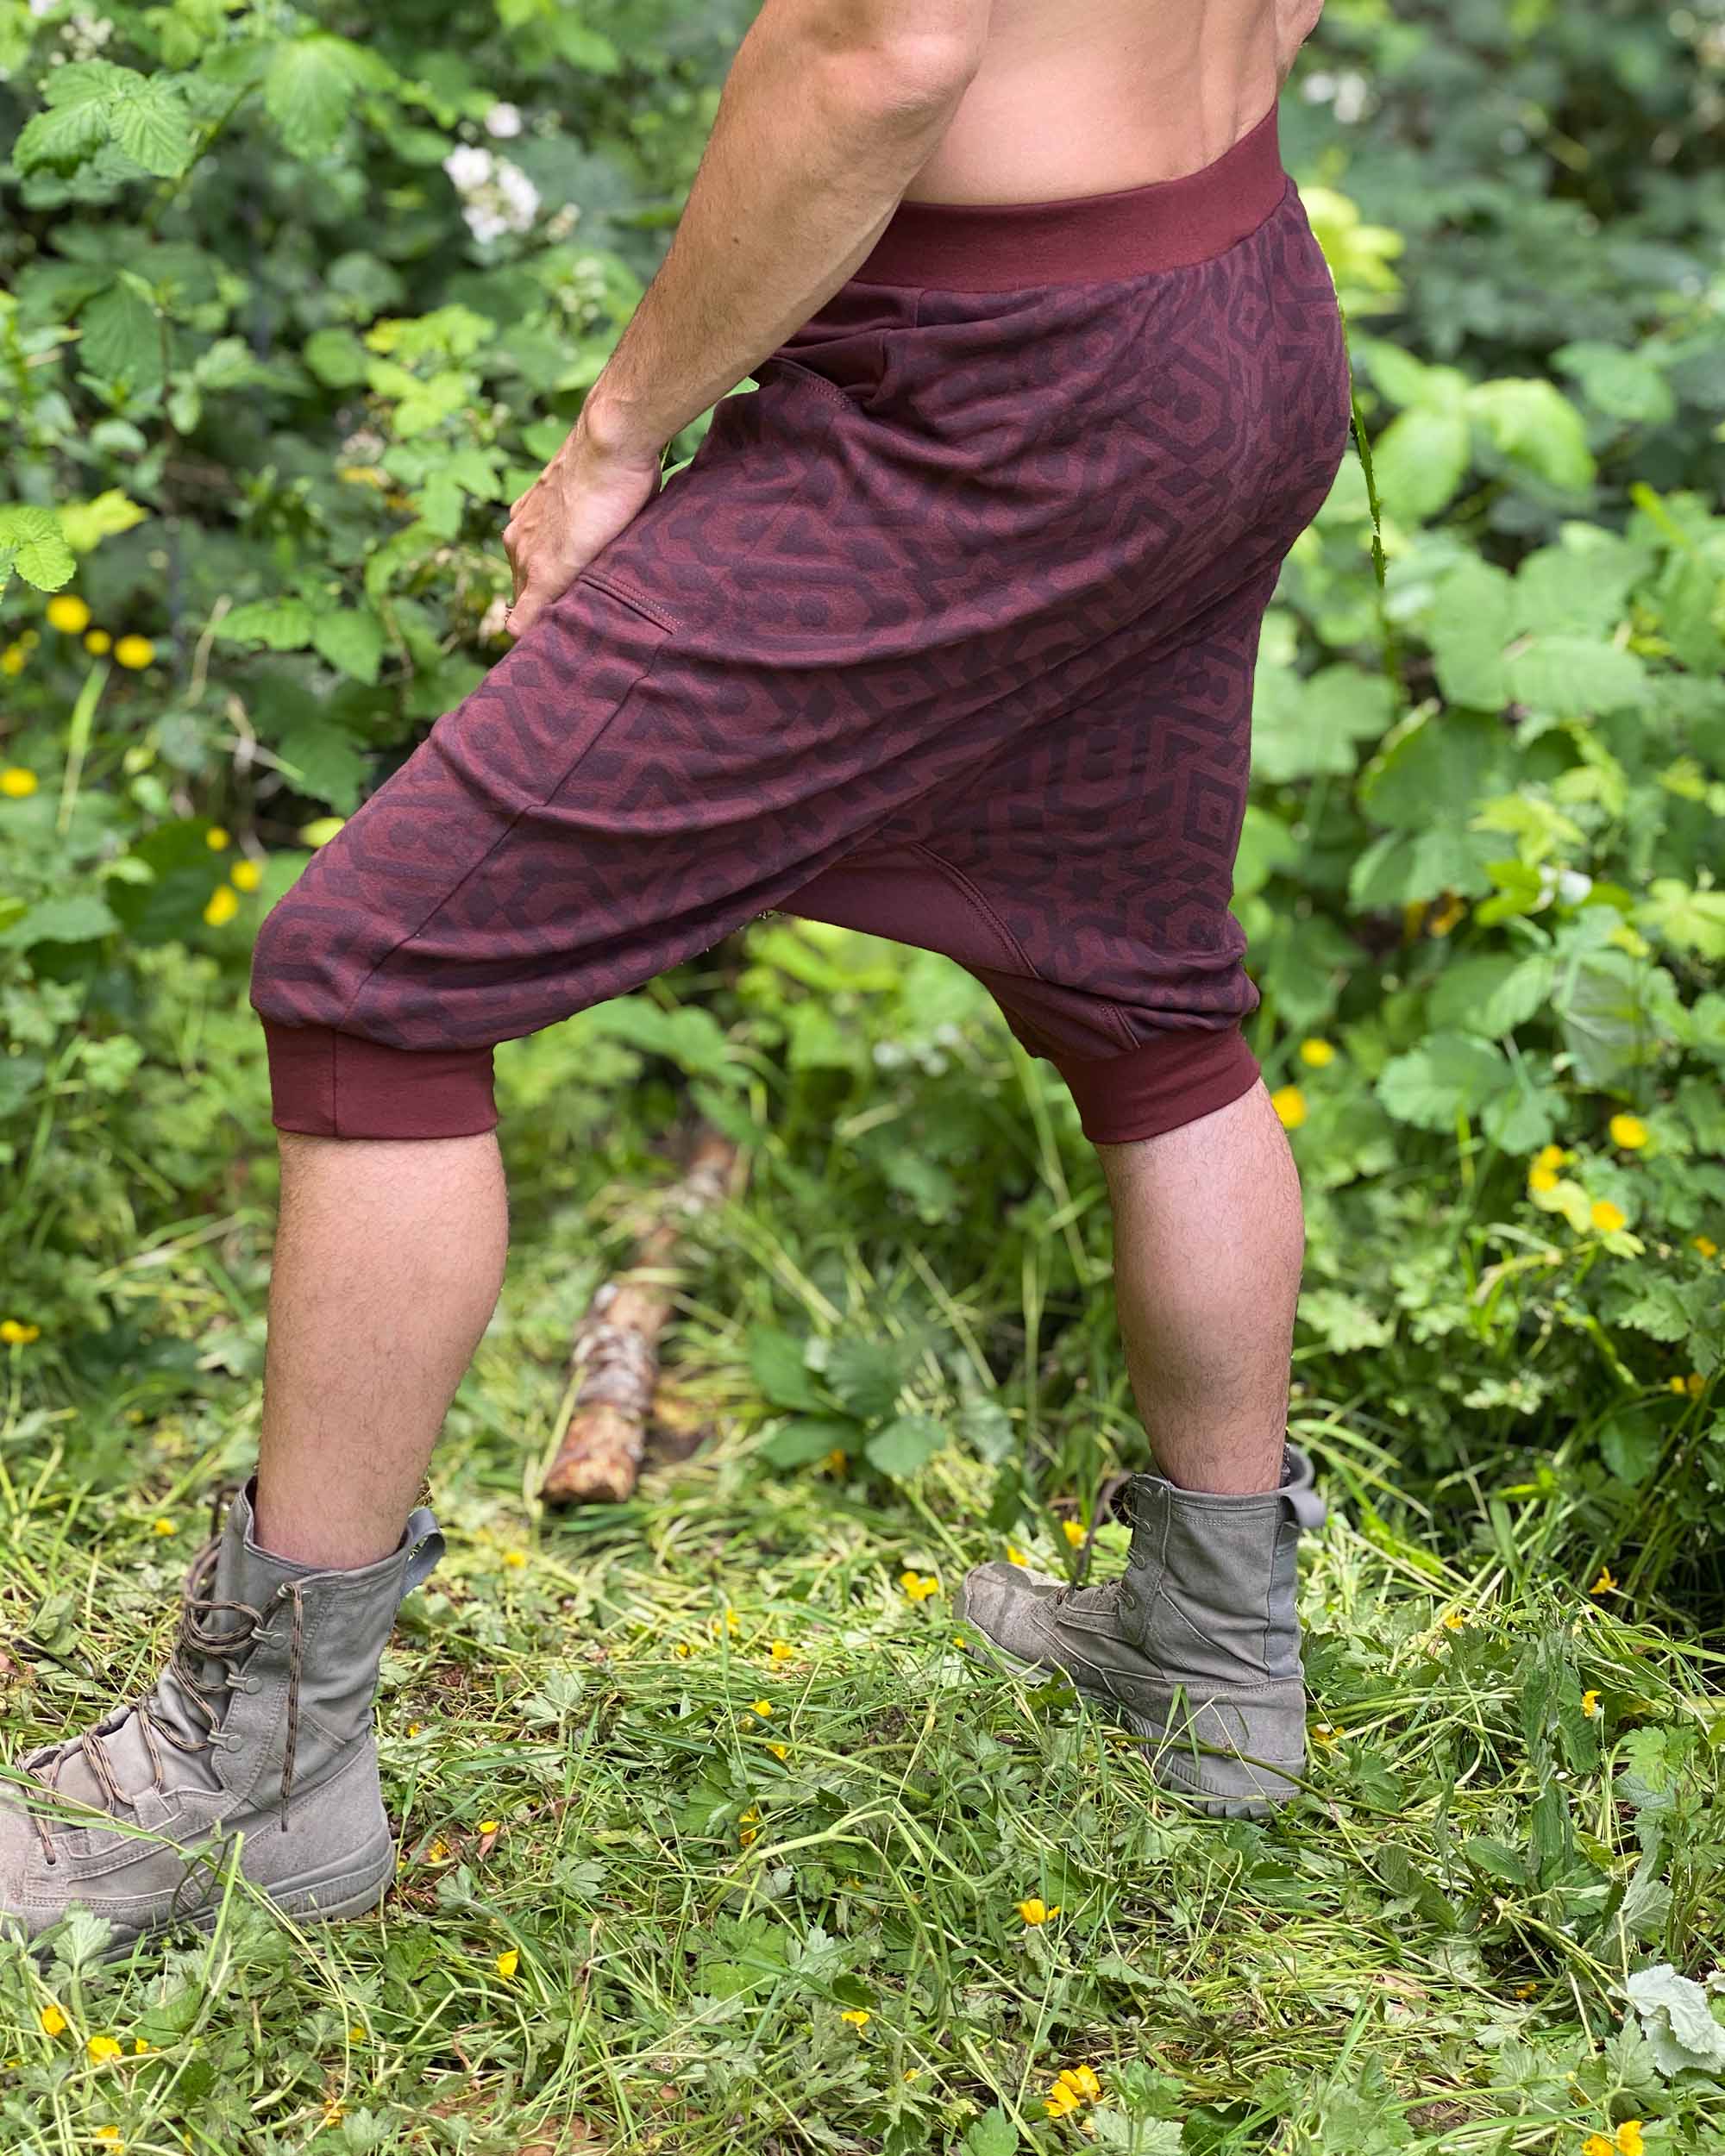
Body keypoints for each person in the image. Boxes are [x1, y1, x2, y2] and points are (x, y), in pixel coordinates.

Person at [1, 0, 1341, 1949]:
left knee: (379, 979)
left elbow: (881, 39)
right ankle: (1218, 1659)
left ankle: (262, 1771)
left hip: (998, 393)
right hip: (1224, 299)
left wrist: (613, 438)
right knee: (1147, 995)